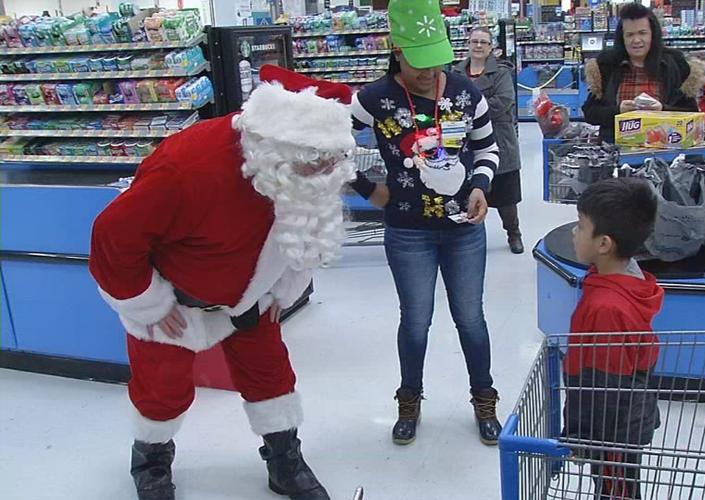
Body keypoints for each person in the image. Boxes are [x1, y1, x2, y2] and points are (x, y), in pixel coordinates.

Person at [89, 66, 355, 500]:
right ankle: (152, 463)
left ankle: (284, 461)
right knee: (161, 390)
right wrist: (147, 304)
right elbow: (112, 237)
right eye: (317, 158)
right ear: (277, 142)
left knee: (272, 376)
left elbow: (306, 226)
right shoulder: (187, 166)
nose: (328, 168)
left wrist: (285, 284)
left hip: (253, 297)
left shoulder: (306, 168)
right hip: (175, 304)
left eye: (334, 157)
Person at [349, 0, 503, 445]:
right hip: (407, 231)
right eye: (420, 62)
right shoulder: (374, 98)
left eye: (437, 61)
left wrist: (479, 184)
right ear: (398, 50)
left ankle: (484, 397)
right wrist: (368, 188)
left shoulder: (463, 92)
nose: (429, 73)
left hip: (463, 229)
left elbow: (488, 148)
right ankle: (409, 400)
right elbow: (330, 141)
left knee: (470, 318)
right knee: (416, 321)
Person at [564, 178, 664, 499]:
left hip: (613, 432)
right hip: (625, 419)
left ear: (604, 244)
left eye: (580, 226)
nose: (574, 233)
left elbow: (603, 384)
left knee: (616, 492)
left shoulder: (606, 307)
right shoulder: (624, 280)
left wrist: (582, 435)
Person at [582, 3, 705, 142]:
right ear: (622, 38)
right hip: (615, 150)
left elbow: (691, 112)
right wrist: (618, 111)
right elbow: (590, 113)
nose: (636, 40)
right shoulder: (607, 65)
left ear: (653, 34)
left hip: (664, 150)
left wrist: (663, 110)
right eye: (630, 35)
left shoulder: (674, 64)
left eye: (642, 33)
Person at [453, 26, 525, 254]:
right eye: (475, 41)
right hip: (464, 142)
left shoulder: (501, 72)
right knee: (468, 191)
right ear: (468, 44)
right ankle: (471, 237)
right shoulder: (455, 73)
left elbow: (503, 101)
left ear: (491, 47)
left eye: (483, 42)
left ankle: (514, 234)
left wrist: (469, 110)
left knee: (506, 197)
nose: (478, 46)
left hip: (499, 140)